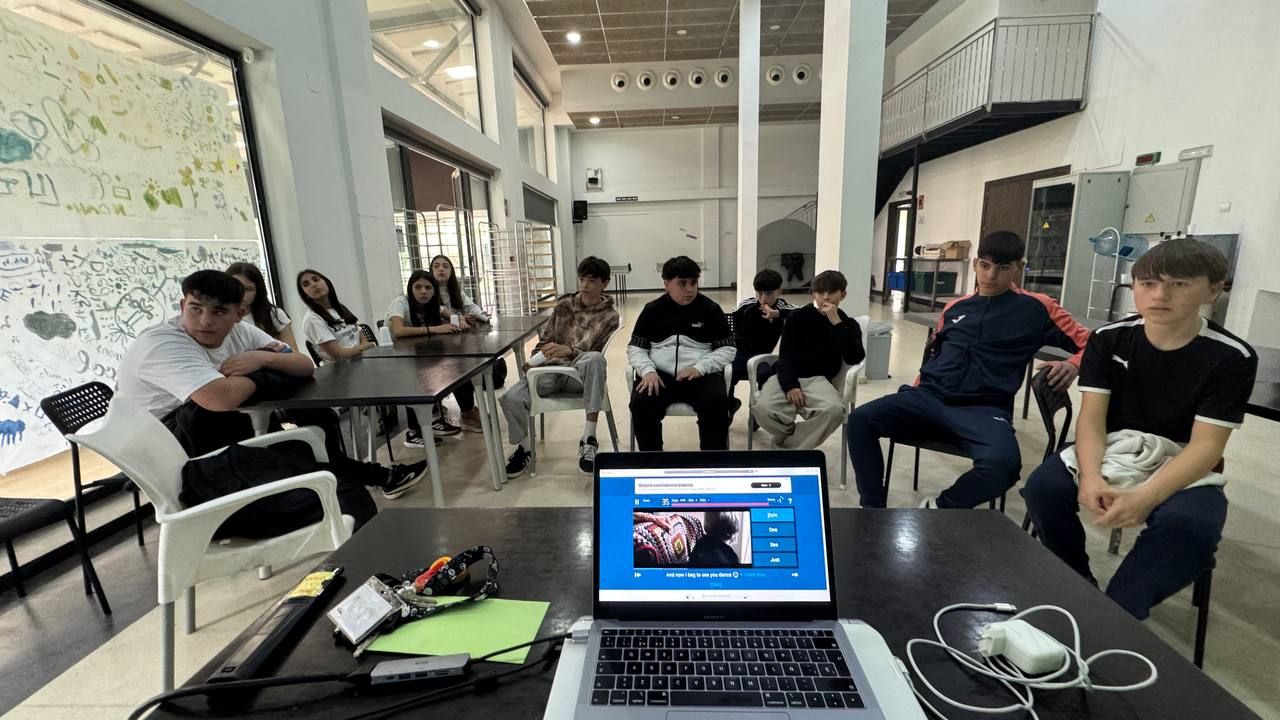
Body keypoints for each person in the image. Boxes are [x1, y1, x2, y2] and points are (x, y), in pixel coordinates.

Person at [1023, 239, 1256, 620]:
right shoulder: (1108, 339)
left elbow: (1206, 446)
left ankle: (1118, 614)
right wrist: (1090, 476)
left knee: (1192, 527)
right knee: (1043, 488)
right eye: (1148, 284)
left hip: (1181, 455)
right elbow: (1092, 419)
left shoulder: (1231, 356)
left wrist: (1146, 496)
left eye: (1179, 284)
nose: (1160, 295)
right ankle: (1077, 582)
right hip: (1113, 446)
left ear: (1213, 290)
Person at [114, 271, 423, 526]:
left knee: (314, 435)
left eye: (218, 311)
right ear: (183, 305)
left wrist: (261, 359)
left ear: (239, 313)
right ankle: (377, 478)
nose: (205, 321)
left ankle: (377, 476)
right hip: (181, 458)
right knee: (339, 489)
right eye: (195, 308)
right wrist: (262, 376)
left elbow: (303, 365)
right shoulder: (163, 344)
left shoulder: (242, 332)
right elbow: (219, 398)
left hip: (225, 435)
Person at [847, 231, 1091, 509]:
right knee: (859, 421)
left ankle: (940, 507)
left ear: (1019, 268)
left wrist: (1073, 364)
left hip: (983, 408)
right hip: (928, 397)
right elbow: (934, 353)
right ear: (975, 264)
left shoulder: (1038, 307)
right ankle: (873, 509)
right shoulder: (955, 308)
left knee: (1004, 466)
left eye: (1002, 268)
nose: (991, 275)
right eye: (985, 265)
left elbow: (1098, 346)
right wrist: (916, 389)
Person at [500, 256, 620, 477]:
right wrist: (535, 361)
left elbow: (597, 352)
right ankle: (525, 448)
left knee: (595, 359)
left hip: (581, 375)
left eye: (591, 280)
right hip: (551, 372)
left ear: (604, 283)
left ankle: (589, 438)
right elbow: (544, 341)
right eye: (582, 279)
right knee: (510, 398)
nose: (584, 285)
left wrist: (570, 351)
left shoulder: (609, 316)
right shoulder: (564, 307)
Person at [628, 256, 735, 451]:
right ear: (667, 284)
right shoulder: (652, 311)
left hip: (700, 375)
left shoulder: (711, 309)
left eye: (694, 282)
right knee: (641, 403)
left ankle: (712, 462)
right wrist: (647, 371)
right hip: (659, 376)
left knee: (717, 401)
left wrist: (699, 368)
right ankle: (652, 461)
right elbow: (636, 348)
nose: (690, 289)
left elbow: (728, 349)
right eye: (682, 283)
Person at [751, 270, 865, 450]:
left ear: (843, 294)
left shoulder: (848, 324)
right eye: (820, 292)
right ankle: (794, 443)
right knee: (762, 409)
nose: (826, 297)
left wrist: (836, 323)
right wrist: (791, 385)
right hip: (786, 376)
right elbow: (785, 355)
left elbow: (855, 356)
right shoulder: (798, 317)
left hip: (818, 380)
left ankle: (785, 447)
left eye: (832, 292)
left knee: (834, 412)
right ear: (813, 294)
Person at [386, 270, 485, 444]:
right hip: (400, 357)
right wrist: (435, 329)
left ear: (434, 291)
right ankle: (413, 432)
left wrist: (460, 320)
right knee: (416, 377)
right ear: (410, 288)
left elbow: (452, 316)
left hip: (424, 353)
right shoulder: (400, 303)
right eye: (418, 287)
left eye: (428, 288)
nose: (423, 291)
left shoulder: (433, 305)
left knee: (458, 366)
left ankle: (459, 414)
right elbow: (398, 330)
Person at [730, 268, 799, 396]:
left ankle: (762, 405)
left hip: (763, 355)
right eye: (759, 293)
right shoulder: (747, 306)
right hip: (741, 352)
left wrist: (777, 314)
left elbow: (803, 312)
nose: (763, 299)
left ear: (779, 292)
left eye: (768, 294)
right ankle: (729, 404)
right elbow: (733, 322)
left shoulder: (782, 307)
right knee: (728, 372)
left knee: (766, 375)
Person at [297, 269, 375, 363]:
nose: (313, 285)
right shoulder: (312, 319)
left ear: (327, 283)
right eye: (306, 284)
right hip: (342, 369)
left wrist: (363, 347)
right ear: (306, 295)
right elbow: (338, 355)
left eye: (316, 279)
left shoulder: (340, 308)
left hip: (362, 361)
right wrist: (364, 348)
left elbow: (363, 339)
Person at [227, 261, 299, 351]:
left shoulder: (274, 314)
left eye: (248, 289)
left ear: (258, 291)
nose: (241, 294)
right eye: (235, 287)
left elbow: (294, 353)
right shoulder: (219, 317)